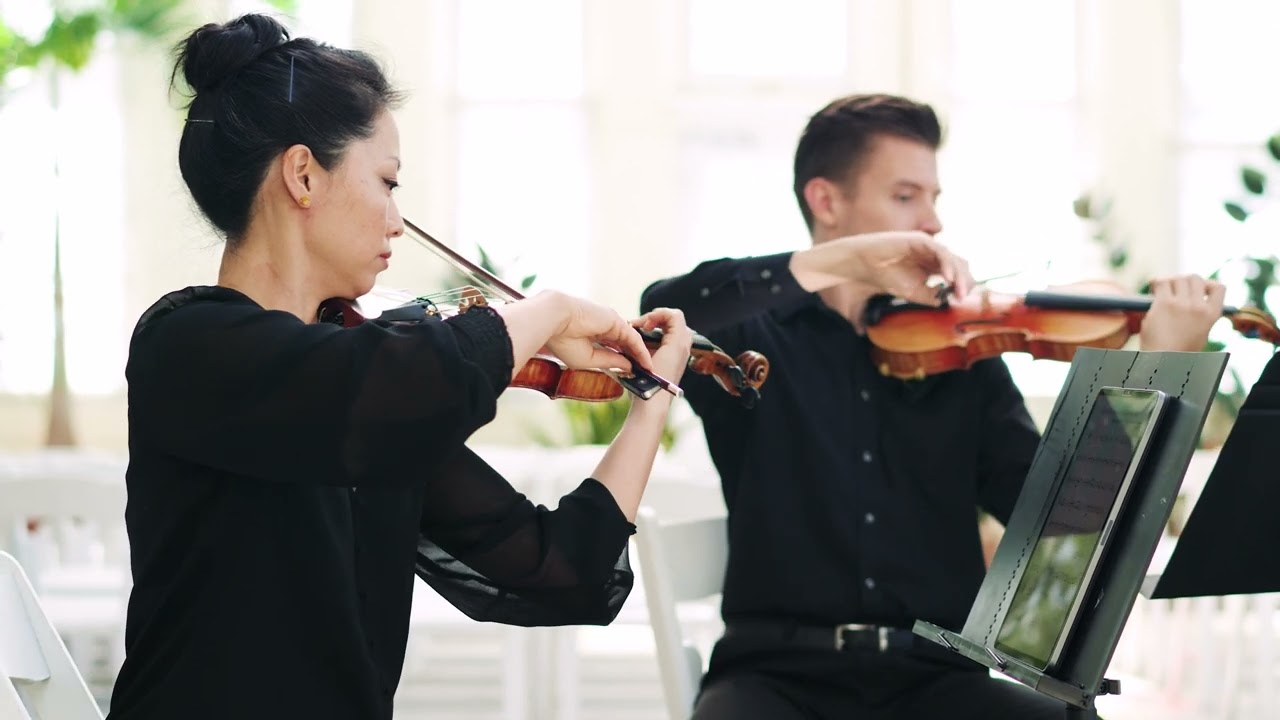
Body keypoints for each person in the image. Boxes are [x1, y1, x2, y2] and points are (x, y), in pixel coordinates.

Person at [105, 18, 972, 719]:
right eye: (388, 180)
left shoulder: (372, 403)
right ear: (302, 175)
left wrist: (652, 396)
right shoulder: (191, 345)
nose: (397, 220)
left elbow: (559, 574)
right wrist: (548, 313)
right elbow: (375, 391)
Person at [639, 93, 1226, 719]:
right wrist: (835, 262)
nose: (932, 221)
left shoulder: (964, 359)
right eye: (905, 196)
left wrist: (1159, 367)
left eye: (934, 198)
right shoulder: (753, 338)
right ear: (826, 201)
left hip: (937, 683)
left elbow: (1064, 519)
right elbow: (664, 307)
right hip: (774, 679)